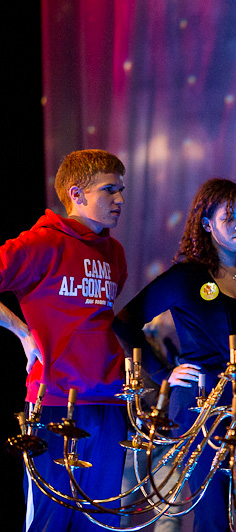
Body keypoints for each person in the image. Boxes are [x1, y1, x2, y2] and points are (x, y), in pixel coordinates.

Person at [113, 178, 236, 532]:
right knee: (213, 513)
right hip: (203, 404)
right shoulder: (185, 276)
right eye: (230, 218)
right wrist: (163, 373)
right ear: (207, 224)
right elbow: (124, 323)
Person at [0, 149, 128, 531]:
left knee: (102, 523)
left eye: (122, 190)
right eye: (110, 190)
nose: (120, 200)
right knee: (50, 522)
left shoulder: (115, 253)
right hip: (55, 403)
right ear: (76, 194)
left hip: (109, 405)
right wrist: (21, 330)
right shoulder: (40, 243)